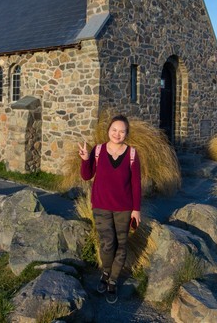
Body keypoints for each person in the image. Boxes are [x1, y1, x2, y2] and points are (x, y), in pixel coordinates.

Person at [79, 115, 141, 304]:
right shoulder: (98, 150)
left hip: (124, 208)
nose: (117, 134)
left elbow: (136, 184)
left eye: (122, 131)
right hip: (101, 206)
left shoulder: (132, 154)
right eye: (114, 130)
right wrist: (85, 159)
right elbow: (87, 175)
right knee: (108, 244)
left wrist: (136, 209)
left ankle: (112, 282)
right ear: (108, 131)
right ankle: (106, 273)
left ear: (126, 134)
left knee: (121, 246)